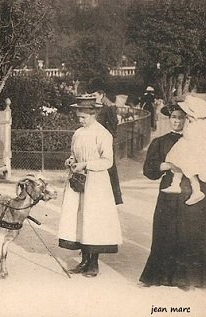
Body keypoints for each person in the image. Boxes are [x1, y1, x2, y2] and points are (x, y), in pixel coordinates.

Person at [139, 103, 206, 288]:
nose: (177, 121)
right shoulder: (160, 142)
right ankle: (161, 276)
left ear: (189, 120)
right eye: (173, 117)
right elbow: (150, 170)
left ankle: (191, 278)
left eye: (181, 117)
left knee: (193, 234)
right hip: (170, 193)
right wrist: (170, 166)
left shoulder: (200, 141)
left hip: (195, 194)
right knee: (166, 233)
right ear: (169, 119)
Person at [58, 102, 122, 277]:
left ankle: (94, 263)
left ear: (93, 115)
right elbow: (74, 152)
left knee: (93, 220)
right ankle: (84, 261)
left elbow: (108, 161)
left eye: (84, 117)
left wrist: (86, 164)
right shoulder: (78, 133)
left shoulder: (103, 134)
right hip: (78, 181)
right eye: (78, 117)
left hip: (96, 182)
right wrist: (71, 160)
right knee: (79, 219)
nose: (80, 120)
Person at [161, 96, 206, 212]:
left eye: (186, 116)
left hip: (191, 151)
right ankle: (178, 185)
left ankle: (192, 189)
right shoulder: (202, 126)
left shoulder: (196, 127)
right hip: (190, 150)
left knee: (185, 166)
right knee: (181, 165)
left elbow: (191, 138)